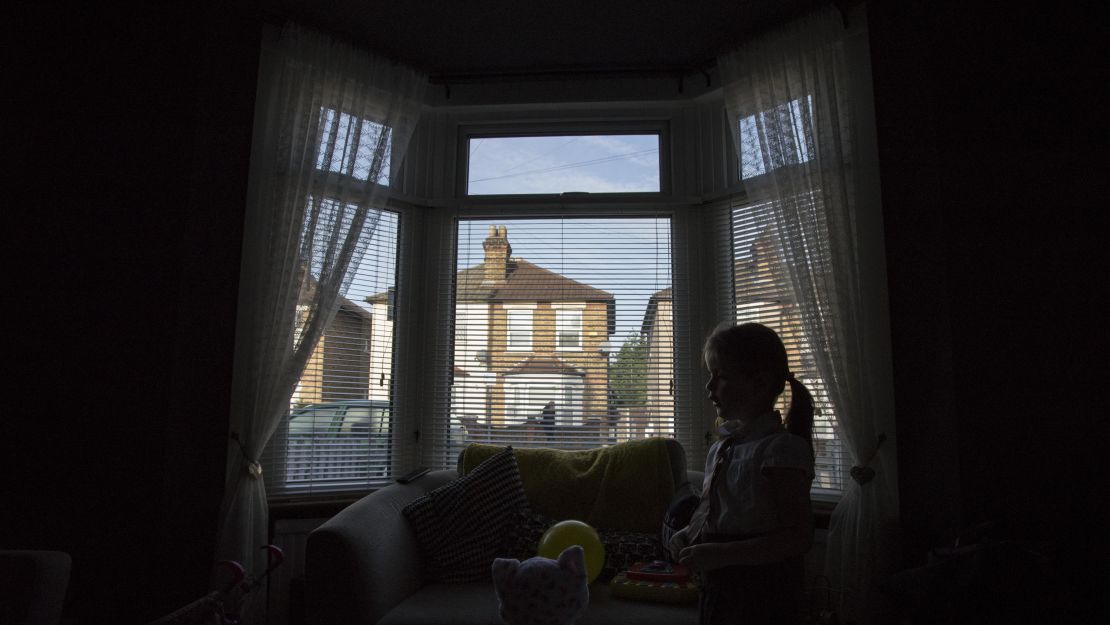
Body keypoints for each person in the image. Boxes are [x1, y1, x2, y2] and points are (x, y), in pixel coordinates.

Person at [668, 322, 815, 625]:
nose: (709, 387)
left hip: (763, 590)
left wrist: (721, 555)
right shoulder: (723, 446)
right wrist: (689, 534)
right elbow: (715, 509)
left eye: (720, 377)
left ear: (759, 383)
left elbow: (797, 537)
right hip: (719, 585)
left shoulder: (780, 450)